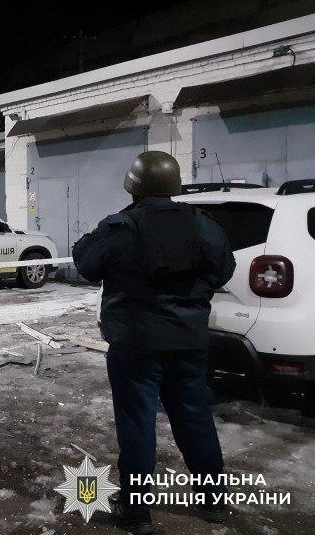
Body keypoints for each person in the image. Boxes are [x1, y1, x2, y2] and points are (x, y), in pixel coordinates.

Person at [72, 151, 236, 535]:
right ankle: (213, 499)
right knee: (194, 417)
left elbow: (85, 263)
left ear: (133, 186)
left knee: (137, 422)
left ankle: (136, 510)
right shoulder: (203, 225)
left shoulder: (121, 227)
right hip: (189, 343)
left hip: (136, 346)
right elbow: (224, 270)